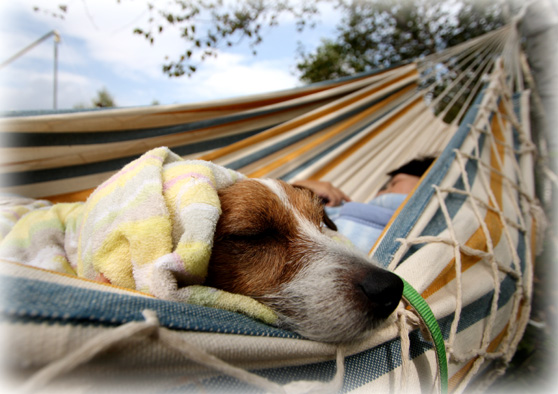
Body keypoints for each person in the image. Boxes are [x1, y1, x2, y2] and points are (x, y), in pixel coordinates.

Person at [293, 156, 436, 254]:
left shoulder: (431, 235)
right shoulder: (342, 209)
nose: (381, 192)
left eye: (394, 183)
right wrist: (300, 189)